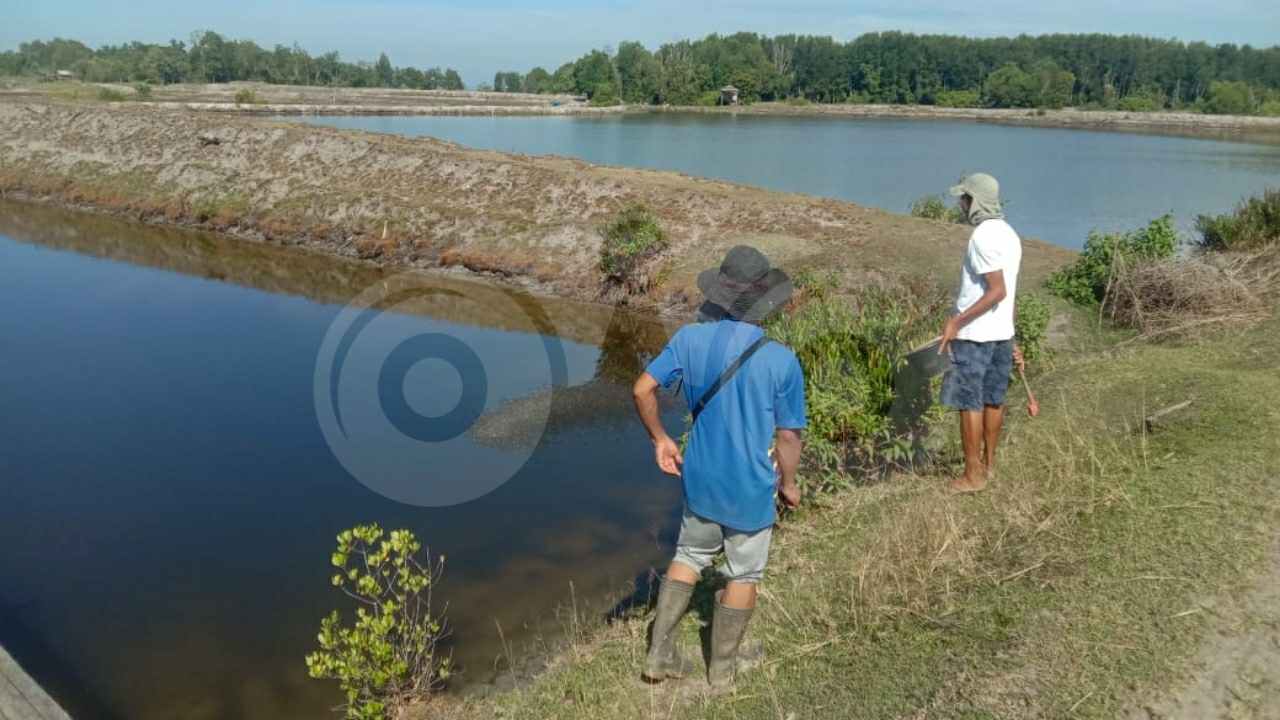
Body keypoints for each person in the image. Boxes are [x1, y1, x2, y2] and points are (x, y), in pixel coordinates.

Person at [632, 245, 806, 689]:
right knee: (744, 572)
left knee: (689, 555)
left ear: (720, 294)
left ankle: (659, 656)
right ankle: (723, 672)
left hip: (700, 477)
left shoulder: (689, 338)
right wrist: (789, 484)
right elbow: (788, 437)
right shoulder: (780, 359)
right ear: (764, 298)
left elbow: (641, 390)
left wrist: (661, 440)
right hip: (748, 485)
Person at [938, 173, 1025, 493]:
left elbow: (997, 291)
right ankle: (989, 467)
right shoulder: (1010, 234)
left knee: (969, 402)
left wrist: (956, 322)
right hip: (1002, 332)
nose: (961, 205)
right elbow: (1011, 293)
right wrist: (1013, 335)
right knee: (993, 400)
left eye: (964, 199)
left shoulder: (982, 237)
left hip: (976, 335)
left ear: (974, 202)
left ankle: (972, 475)